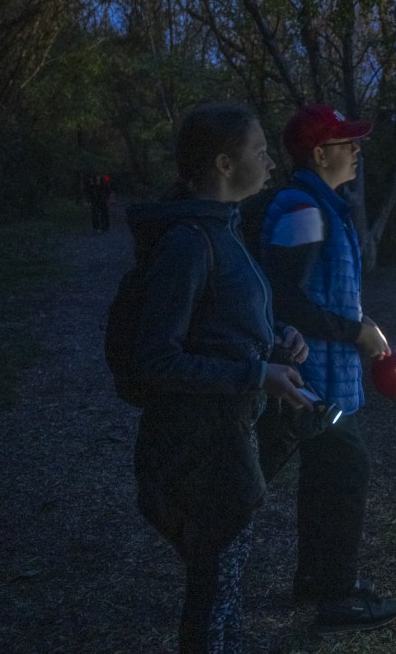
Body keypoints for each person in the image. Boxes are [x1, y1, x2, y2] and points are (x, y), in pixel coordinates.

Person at [129, 101, 315, 653]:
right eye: (260, 150)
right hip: (200, 449)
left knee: (223, 587)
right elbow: (154, 359)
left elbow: (220, 322)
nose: (271, 162)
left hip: (228, 438)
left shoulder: (226, 227)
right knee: (213, 595)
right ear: (224, 164)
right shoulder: (189, 242)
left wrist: (278, 336)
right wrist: (257, 373)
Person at [259, 104, 396, 632]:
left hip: (324, 374)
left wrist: (360, 322)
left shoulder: (322, 206)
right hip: (310, 378)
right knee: (346, 469)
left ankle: (316, 579)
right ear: (320, 155)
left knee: (325, 472)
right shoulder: (303, 208)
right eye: (347, 143)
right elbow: (284, 299)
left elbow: (316, 290)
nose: (357, 150)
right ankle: (338, 597)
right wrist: (354, 332)